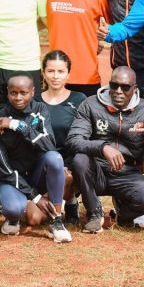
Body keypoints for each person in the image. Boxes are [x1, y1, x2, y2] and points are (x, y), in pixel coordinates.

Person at [68, 65, 144, 233]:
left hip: (127, 174)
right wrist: (102, 148)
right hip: (96, 171)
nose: (118, 91)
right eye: (114, 85)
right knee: (80, 159)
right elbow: (74, 140)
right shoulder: (91, 104)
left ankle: (124, 215)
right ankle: (94, 212)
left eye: (125, 87)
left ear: (135, 88)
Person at [0, 73, 72, 243]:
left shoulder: (41, 111)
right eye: (13, 93)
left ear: (33, 92)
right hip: (12, 179)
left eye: (23, 93)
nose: (18, 97)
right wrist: (35, 196)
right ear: (7, 93)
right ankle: (13, 217)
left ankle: (56, 220)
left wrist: (17, 125)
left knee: (54, 158)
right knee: (13, 209)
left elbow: (49, 145)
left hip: (36, 174)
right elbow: (4, 170)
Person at [46, 0, 109, 96]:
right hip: (56, 75)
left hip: (87, 77)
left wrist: (99, 41)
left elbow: (113, 26)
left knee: (88, 120)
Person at [37, 51, 89, 225]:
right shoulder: (35, 101)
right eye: (51, 71)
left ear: (68, 73)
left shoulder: (79, 99)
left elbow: (83, 137)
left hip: (68, 166)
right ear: (43, 72)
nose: (55, 76)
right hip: (41, 165)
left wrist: (67, 164)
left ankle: (71, 200)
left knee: (65, 177)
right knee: (33, 219)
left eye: (60, 71)